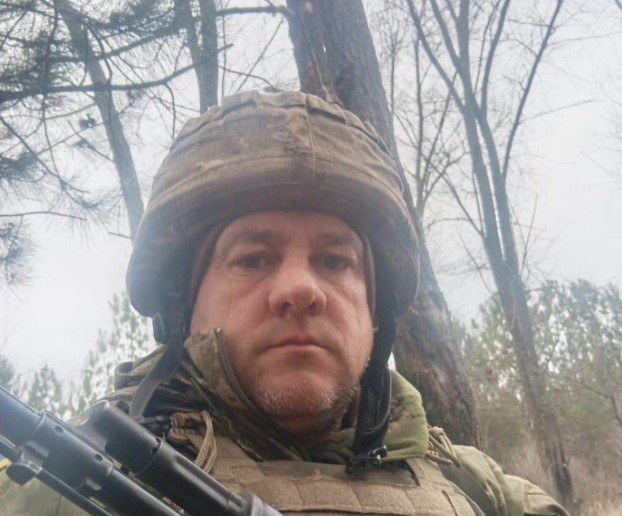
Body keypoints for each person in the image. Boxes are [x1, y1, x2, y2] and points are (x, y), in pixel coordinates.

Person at [0, 91, 569, 515]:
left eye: (335, 261)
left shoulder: (484, 493)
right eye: (253, 260)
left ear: (375, 310)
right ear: (182, 304)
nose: (300, 289)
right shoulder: (53, 487)